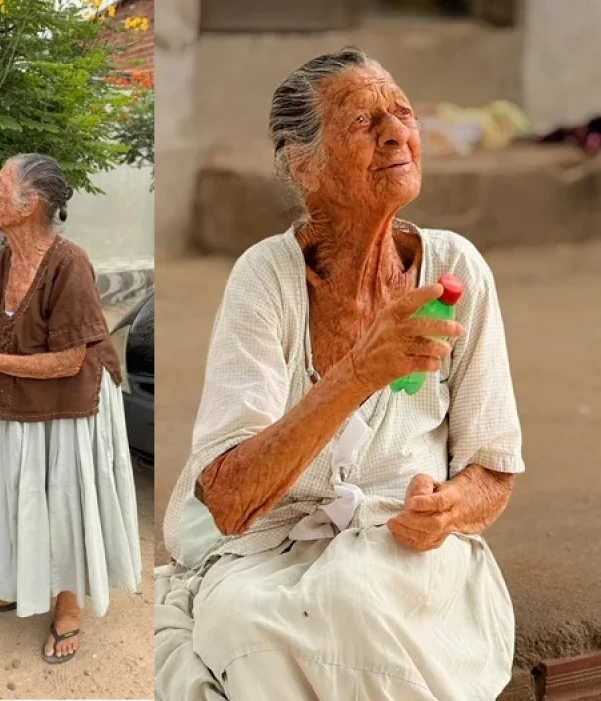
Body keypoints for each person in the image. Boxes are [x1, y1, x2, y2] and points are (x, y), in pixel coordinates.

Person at [155, 48, 525, 700]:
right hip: (266, 554)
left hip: (403, 553)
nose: (396, 133)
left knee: (356, 598)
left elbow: (492, 471)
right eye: (362, 121)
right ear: (305, 167)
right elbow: (229, 500)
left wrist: (445, 510)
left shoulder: (456, 270)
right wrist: (358, 370)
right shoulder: (264, 279)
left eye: (402, 112)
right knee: (251, 622)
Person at [0, 154, 142, 664]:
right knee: (17, 496)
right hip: (29, 400)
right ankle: (6, 586)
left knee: (65, 503)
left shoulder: (70, 263)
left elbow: (71, 360)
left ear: (30, 204)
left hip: (75, 408)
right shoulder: (8, 259)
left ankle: (68, 606)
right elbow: (9, 338)